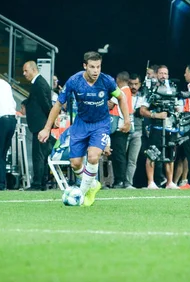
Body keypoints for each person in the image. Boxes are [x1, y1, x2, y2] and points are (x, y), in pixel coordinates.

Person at [38, 52, 130, 205]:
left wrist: (127, 120)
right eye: (92, 67)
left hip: (100, 124)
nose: (96, 71)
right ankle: (93, 185)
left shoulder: (106, 81)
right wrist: (47, 128)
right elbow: (58, 104)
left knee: (93, 157)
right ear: (85, 66)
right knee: (75, 163)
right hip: (81, 124)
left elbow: (121, 97)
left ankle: (82, 194)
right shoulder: (74, 81)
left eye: (98, 67)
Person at [139, 65, 179, 189]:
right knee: (152, 153)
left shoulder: (172, 89)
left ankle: (170, 182)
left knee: (170, 153)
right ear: (156, 75)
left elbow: (177, 106)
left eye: (165, 74)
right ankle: (151, 182)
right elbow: (142, 110)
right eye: (161, 73)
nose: (163, 76)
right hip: (156, 127)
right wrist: (155, 115)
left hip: (170, 126)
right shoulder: (151, 91)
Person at [22, 61, 53, 191]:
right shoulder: (38, 83)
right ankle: (42, 182)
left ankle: (37, 184)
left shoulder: (39, 84)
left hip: (41, 125)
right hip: (41, 124)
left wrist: (50, 121)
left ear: (33, 70)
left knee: (38, 155)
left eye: (25, 71)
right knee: (42, 154)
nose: (24, 74)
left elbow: (46, 104)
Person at [108, 71, 133, 189]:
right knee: (121, 154)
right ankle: (121, 180)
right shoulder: (129, 92)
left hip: (119, 126)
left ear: (118, 80)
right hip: (125, 126)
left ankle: (119, 180)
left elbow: (110, 105)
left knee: (118, 155)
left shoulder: (121, 91)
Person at [124, 74, 144, 189]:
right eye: (131, 84)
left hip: (137, 131)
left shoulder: (143, 97)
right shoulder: (124, 96)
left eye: (136, 84)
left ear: (140, 84)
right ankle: (119, 181)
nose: (133, 86)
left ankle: (128, 183)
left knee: (133, 160)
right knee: (121, 158)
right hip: (125, 131)